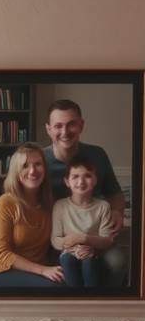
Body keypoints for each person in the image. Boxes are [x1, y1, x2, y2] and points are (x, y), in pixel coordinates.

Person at [42, 99, 127, 286]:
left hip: (95, 234)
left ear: (81, 125)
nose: (65, 132)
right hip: (53, 237)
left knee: (118, 262)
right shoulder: (40, 160)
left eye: (71, 124)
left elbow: (115, 194)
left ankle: (105, 312)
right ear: (49, 129)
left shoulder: (97, 155)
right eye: (58, 126)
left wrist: (116, 212)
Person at [0, 143, 63, 288]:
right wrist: (43, 270)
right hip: (3, 271)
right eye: (25, 165)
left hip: (39, 271)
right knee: (55, 289)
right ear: (16, 171)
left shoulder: (50, 204)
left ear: (45, 169)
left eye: (38, 164)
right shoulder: (6, 203)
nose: (32, 171)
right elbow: (1, 252)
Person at [51, 156, 119, 288]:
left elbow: (107, 240)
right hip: (68, 252)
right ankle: (74, 300)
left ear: (95, 180)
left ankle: (92, 300)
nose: (81, 181)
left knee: (88, 262)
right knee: (67, 259)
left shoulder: (103, 206)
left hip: (93, 253)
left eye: (87, 176)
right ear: (67, 181)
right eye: (75, 176)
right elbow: (55, 240)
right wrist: (72, 246)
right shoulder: (60, 206)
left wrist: (85, 240)